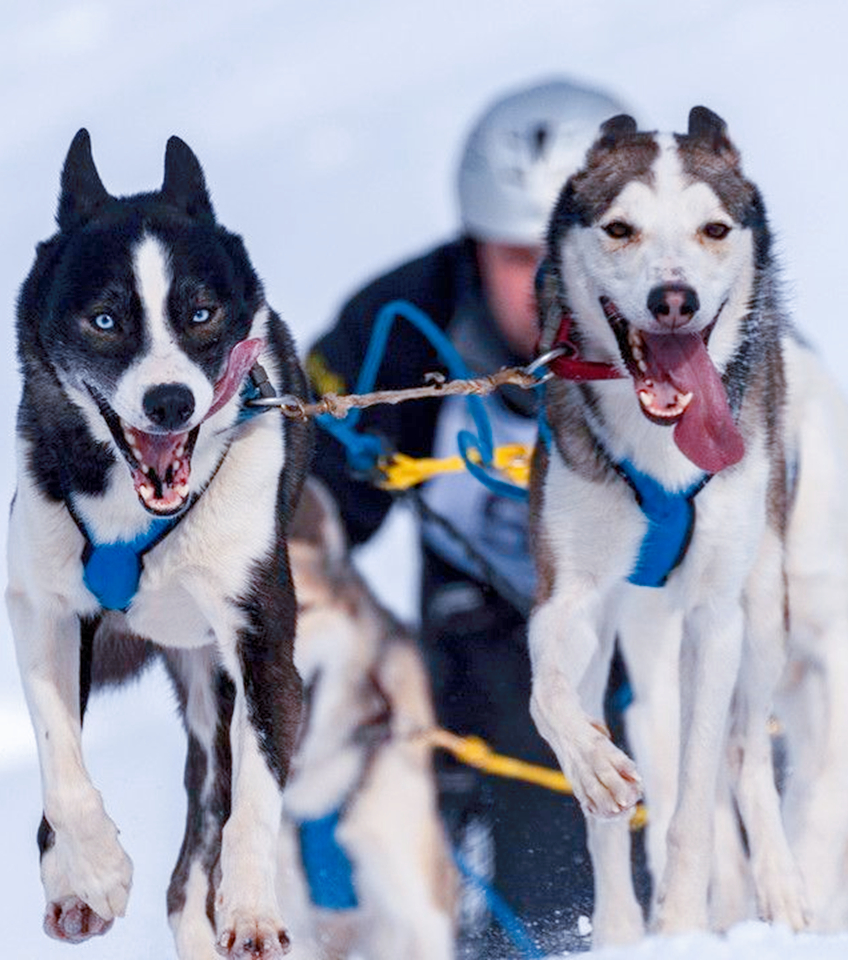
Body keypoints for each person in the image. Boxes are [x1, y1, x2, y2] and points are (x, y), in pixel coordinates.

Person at [304, 78, 628, 957]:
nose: (553, 290)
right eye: (523, 260)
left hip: (662, 629)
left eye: (582, 254)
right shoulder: (399, 327)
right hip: (486, 641)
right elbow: (303, 506)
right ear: (475, 248)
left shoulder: (703, 322)